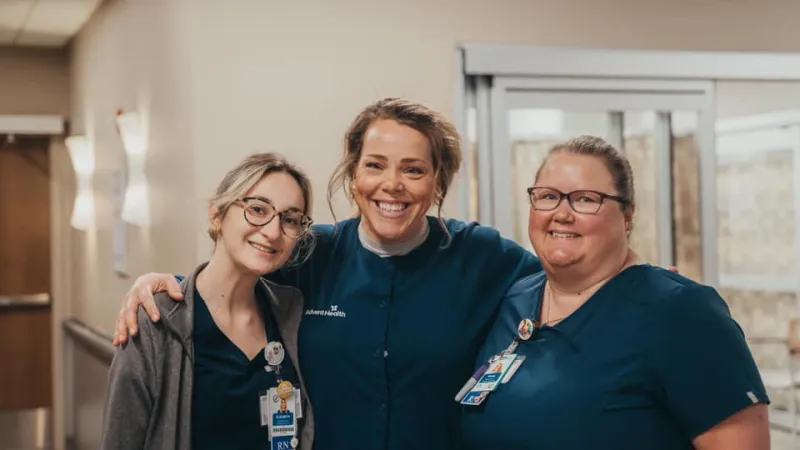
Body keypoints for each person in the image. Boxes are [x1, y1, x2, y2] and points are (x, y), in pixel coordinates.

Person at [113, 97, 542, 450]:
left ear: (438, 182)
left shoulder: (481, 255)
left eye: (413, 169)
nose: (392, 184)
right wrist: (162, 283)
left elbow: (564, 288)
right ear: (353, 174)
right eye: (374, 165)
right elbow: (238, 269)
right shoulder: (310, 253)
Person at [460, 136, 770, 450]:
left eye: (584, 199)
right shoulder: (517, 298)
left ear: (628, 215)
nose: (562, 213)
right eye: (548, 196)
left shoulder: (681, 314)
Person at [101, 153, 316, 450]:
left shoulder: (291, 313)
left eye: (290, 219)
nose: (272, 231)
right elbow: (121, 441)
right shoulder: (155, 321)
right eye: (257, 209)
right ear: (217, 216)